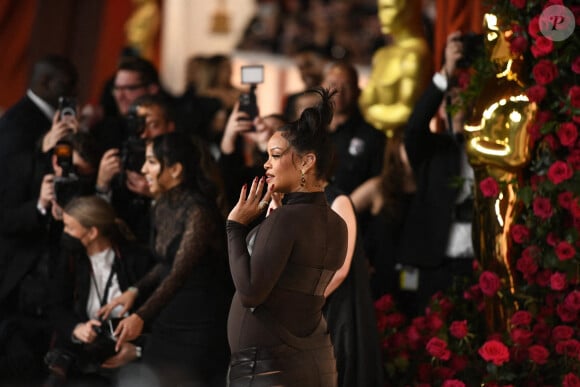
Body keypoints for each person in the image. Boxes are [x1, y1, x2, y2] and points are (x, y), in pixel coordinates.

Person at [226, 88, 348, 386]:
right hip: (314, 362)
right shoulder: (336, 222)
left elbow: (252, 293)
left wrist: (235, 228)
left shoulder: (286, 221)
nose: (266, 164)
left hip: (267, 368)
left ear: (307, 162)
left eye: (276, 155)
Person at [99, 132, 232, 386]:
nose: (143, 169)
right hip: (168, 316)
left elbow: (179, 272)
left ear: (175, 170)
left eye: (151, 162)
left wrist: (141, 316)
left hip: (199, 323)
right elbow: (165, 262)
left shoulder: (199, 211)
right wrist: (133, 291)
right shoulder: (162, 204)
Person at [464, 13, 536, 332]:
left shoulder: (521, 91)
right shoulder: (491, 88)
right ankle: (495, 344)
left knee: (506, 269)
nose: (490, 43)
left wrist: (476, 146)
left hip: (507, 194)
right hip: (484, 191)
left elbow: (516, 153)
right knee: (487, 267)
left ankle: (513, 343)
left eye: (495, 36)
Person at [398, 32, 475, 317]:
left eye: (464, 94)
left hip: (477, 262)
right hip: (434, 261)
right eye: (451, 95)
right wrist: (445, 74)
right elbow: (415, 127)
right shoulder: (431, 148)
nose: (457, 100)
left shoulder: (491, 150)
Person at [44, 195, 154, 386]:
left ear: (92, 232)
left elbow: (158, 316)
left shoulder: (137, 260)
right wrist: (77, 329)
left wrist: (137, 350)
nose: (65, 232)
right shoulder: (70, 260)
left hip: (132, 354)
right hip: (83, 352)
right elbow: (55, 306)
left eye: (70, 227)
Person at [350, 130, 416, 300]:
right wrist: (354, 258)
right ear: (396, 149)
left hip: (416, 277)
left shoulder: (430, 188)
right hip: (379, 278)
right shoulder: (378, 187)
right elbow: (336, 216)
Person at [358, 0, 431, 138]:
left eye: (388, 8)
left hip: (407, 142)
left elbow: (408, 111)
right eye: (380, 8)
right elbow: (365, 102)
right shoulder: (382, 55)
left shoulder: (414, 56)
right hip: (378, 141)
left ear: (408, 10)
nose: (381, 15)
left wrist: (372, 113)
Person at [321, 61, 386, 195]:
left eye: (346, 86)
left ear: (358, 91)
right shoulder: (308, 130)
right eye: (332, 84)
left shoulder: (373, 136)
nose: (338, 91)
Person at [282, 44, 331, 122]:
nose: (306, 72)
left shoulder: (337, 100)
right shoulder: (292, 100)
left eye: (309, 65)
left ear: (324, 64)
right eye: (301, 68)